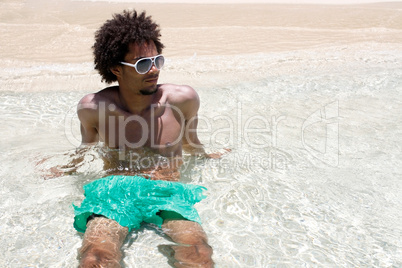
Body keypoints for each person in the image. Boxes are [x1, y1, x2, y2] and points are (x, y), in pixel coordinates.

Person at [72, 10, 216, 267]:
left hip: (167, 192)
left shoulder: (182, 100)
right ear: (116, 68)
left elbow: (191, 142)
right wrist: (64, 168)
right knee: (95, 256)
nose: (153, 69)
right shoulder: (94, 108)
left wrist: (209, 157)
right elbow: (86, 149)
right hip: (115, 192)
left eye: (157, 60)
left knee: (197, 251)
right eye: (141, 64)